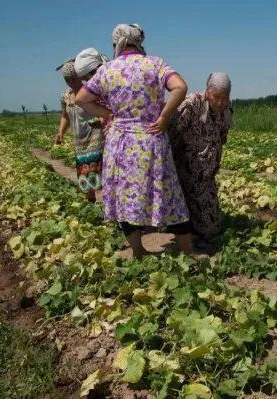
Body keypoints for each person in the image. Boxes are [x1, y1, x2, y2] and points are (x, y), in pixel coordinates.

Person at [75, 23, 192, 258]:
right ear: (139, 42)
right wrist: (163, 117)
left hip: (121, 143)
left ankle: (138, 251)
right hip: (151, 138)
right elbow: (180, 87)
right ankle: (187, 251)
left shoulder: (109, 69)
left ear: (117, 43)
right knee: (167, 192)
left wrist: (107, 114)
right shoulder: (156, 63)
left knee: (126, 197)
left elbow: (81, 98)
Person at [168, 73, 233, 251]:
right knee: (203, 220)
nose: (220, 102)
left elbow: (223, 135)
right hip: (187, 167)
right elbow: (172, 132)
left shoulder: (227, 108)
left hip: (207, 171)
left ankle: (198, 230)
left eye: (224, 97)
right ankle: (193, 236)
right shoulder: (191, 104)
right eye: (216, 97)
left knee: (214, 222)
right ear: (207, 92)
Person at [55, 58, 105, 202]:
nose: (70, 82)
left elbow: (103, 109)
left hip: (96, 138)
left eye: (72, 78)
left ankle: (109, 206)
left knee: (97, 171)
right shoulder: (65, 96)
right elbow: (65, 116)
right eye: (67, 79)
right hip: (79, 141)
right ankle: (91, 204)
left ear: (79, 77)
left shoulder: (91, 92)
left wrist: (102, 120)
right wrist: (61, 132)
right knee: (84, 174)